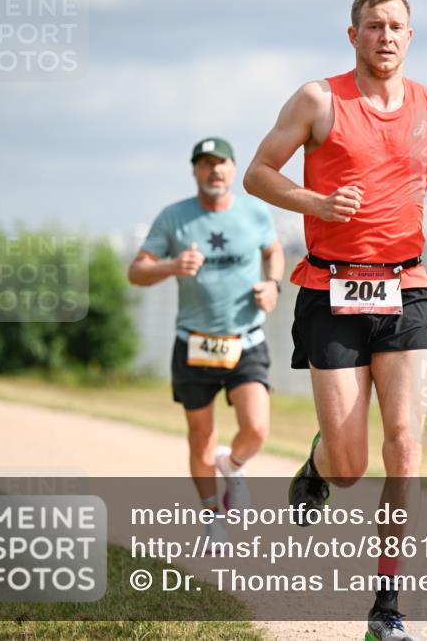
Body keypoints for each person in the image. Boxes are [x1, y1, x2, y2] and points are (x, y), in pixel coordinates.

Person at [243, 0, 427, 641]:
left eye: (397, 26)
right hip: (331, 292)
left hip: (406, 288)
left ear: (410, 36)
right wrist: (315, 204)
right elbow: (258, 173)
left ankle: (388, 606)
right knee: (351, 466)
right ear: (351, 35)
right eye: (373, 25)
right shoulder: (318, 100)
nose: (385, 36)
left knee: (405, 445)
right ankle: (320, 460)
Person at [128, 137, 284, 547]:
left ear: (234, 169)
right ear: (194, 171)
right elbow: (136, 272)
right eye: (206, 164)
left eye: (222, 163)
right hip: (194, 342)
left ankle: (232, 466)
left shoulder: (254, 211)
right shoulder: (175, 218)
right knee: (200, 436)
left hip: (245, 340)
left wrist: (273, 284)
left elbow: (274, 251)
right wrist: (171, 265)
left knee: (257, 428)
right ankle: (212, 516)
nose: (215, 170)